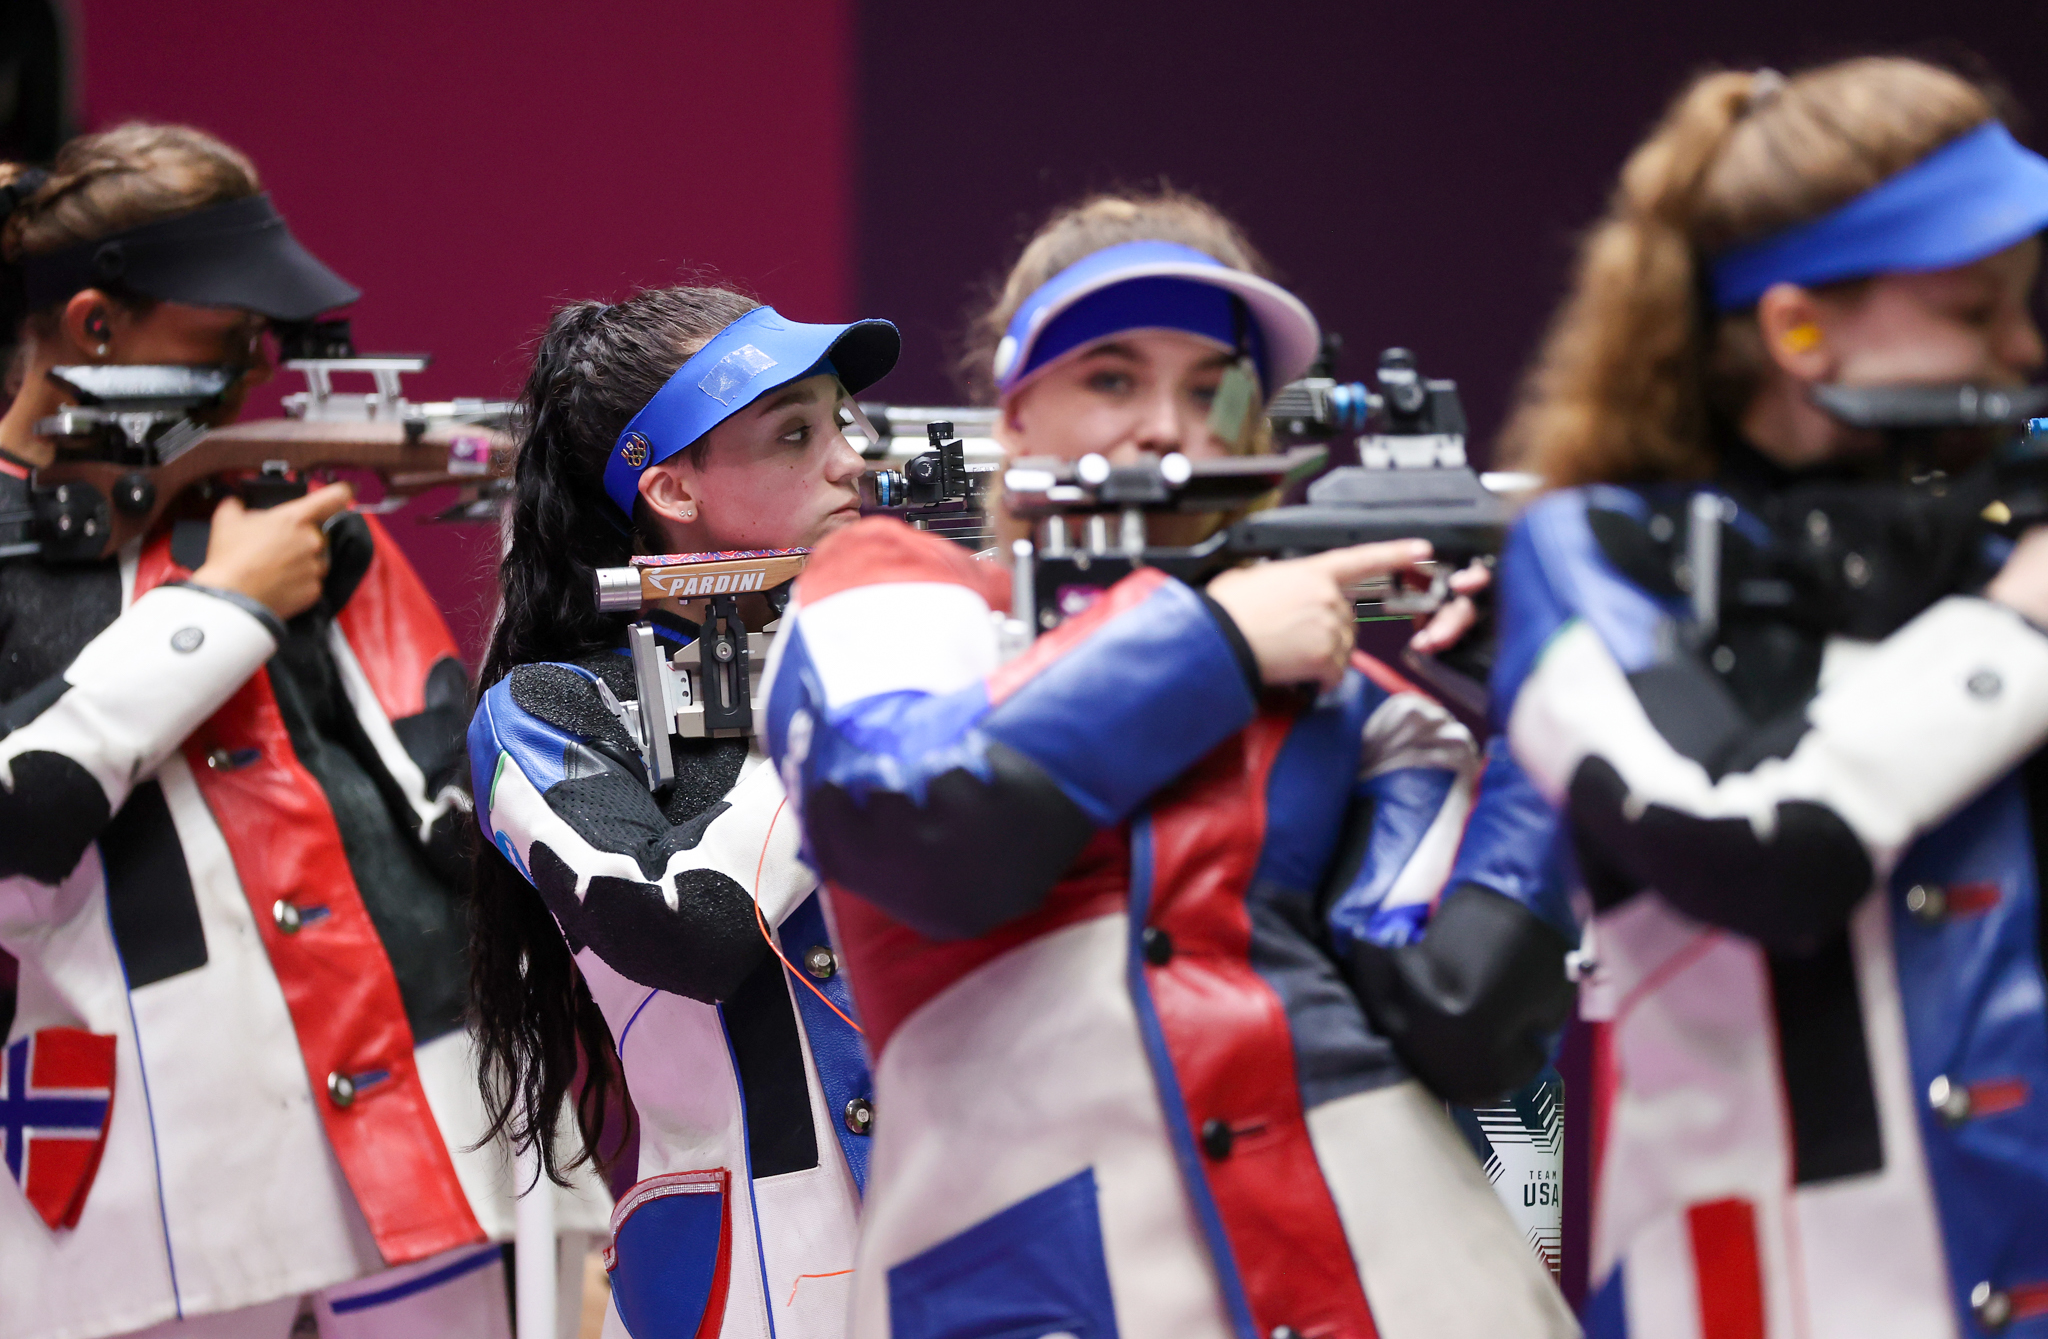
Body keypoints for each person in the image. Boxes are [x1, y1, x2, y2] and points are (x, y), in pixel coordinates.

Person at [764, 192, 1578, 1339]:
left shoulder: (1350, 699)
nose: (1165, 428)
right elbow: (914, 822)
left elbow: (1464, 1020)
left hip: (1402, 1280)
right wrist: (1220, 641)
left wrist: (1548, 700)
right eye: (1111, 377)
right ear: (1019, 414)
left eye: (1213, 391)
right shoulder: (898, 592)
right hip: (1041, 1287)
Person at [0, 123, 606, 1339]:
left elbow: (453, 793)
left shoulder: (299, 517)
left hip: (422, 1127)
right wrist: (218, 612)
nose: (250, 370)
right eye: (221, 334)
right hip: (145, 1160)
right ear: (94, 328)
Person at [1492, 57, 2048, 1337]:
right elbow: (1743, 842)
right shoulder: (1596, 551)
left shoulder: (1989, 541)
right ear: (1798, 330)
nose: (2023, 351)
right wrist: (2010, 628)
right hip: (1774, 1293)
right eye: (1975, 311)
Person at [466, 288, 895, 1339]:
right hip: (746, 1281)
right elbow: (686, 922)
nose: (850, 460)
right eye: (794, 432)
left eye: (841, 421)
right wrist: (825, 677)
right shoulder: (549, 709)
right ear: (670, 489)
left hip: (963, 1236)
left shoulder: (905, 644)